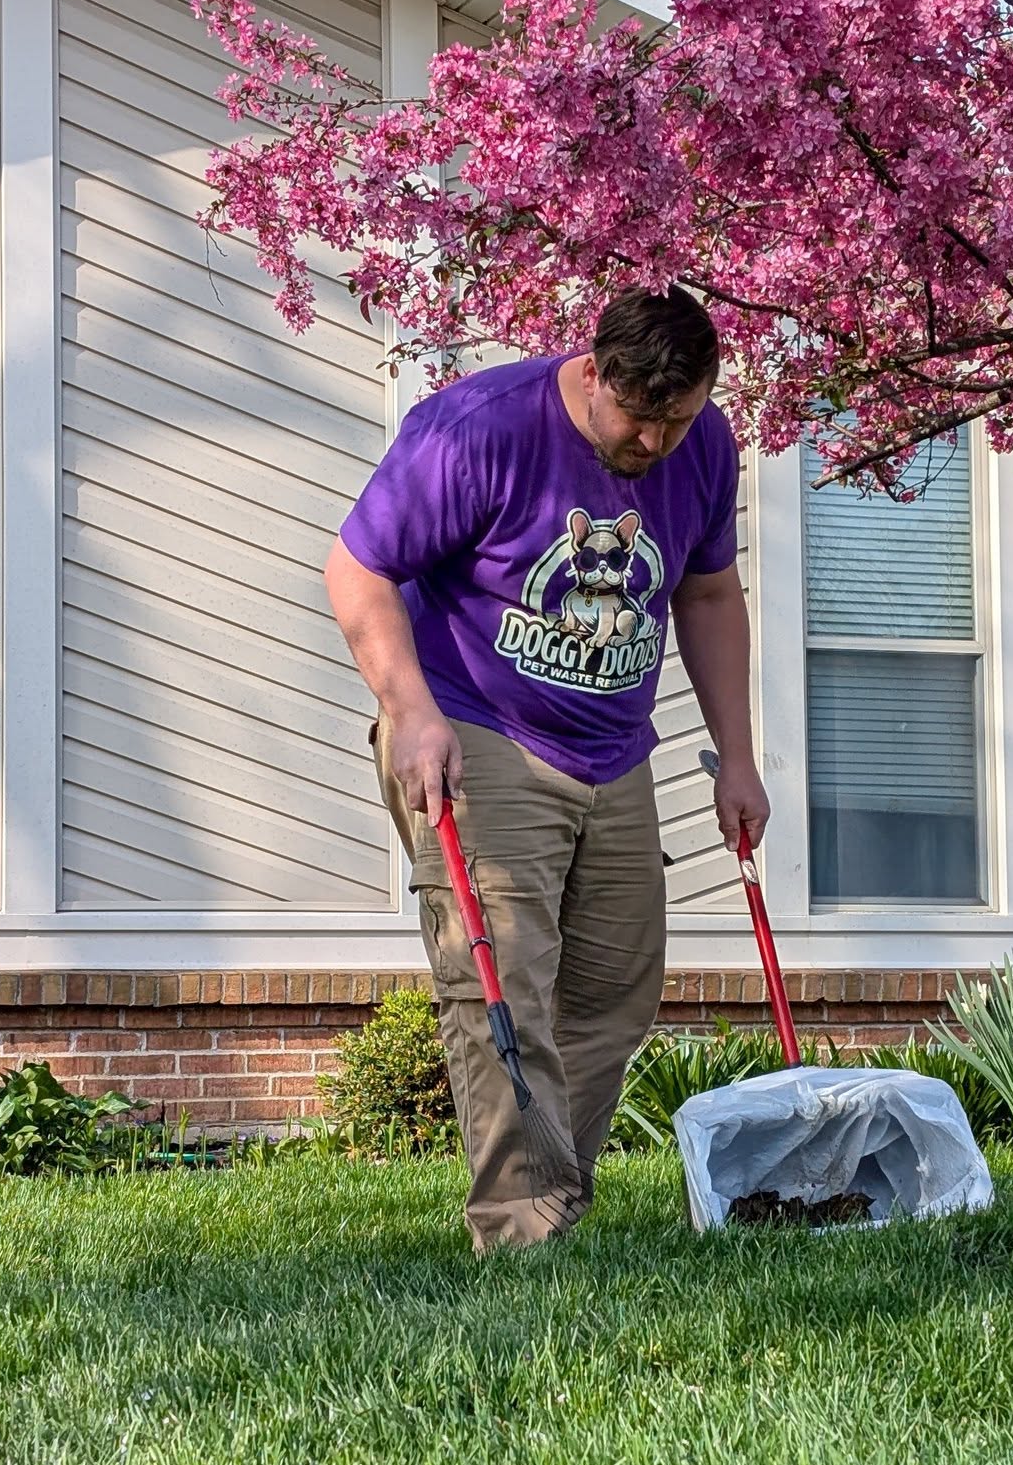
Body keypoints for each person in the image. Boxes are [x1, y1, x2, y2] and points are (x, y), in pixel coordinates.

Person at [325, 286, 769, 1251]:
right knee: (504, 976)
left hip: (615, 743)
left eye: (676, 419)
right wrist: (410, 715)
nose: (653, 442)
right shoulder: (481, 429)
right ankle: (526, 1233)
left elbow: (707, 594)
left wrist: (738, 758)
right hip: (477, 722)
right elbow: (357, 568)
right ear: (593, 370)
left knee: (615, 985)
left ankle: (556, 1194)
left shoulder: (706, 443)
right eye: (636, 417)